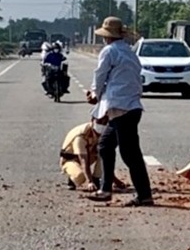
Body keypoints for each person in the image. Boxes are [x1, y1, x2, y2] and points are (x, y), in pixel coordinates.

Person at [85, 16, 153, 207]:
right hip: (130, 106)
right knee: (106, 146)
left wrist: (94, 94)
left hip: (121, 107)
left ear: (107, 37)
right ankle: (106, 189)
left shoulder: (109, 51)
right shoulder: (130, 53)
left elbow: (99, 75)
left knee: (130, 153)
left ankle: (143, 194)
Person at [58, 117, 127, 191]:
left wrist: (115, 181)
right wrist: (89, 182)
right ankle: (72, 179)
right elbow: (83, 160)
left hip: (89, 156)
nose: (102, 125)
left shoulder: (103, 134)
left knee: (104, 152)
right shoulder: (80, 136)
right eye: (99, 121)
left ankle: (96, 179)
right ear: (92, 120)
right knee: (80, 177)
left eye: (105, 122)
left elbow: (106, 162)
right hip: (71, 160)